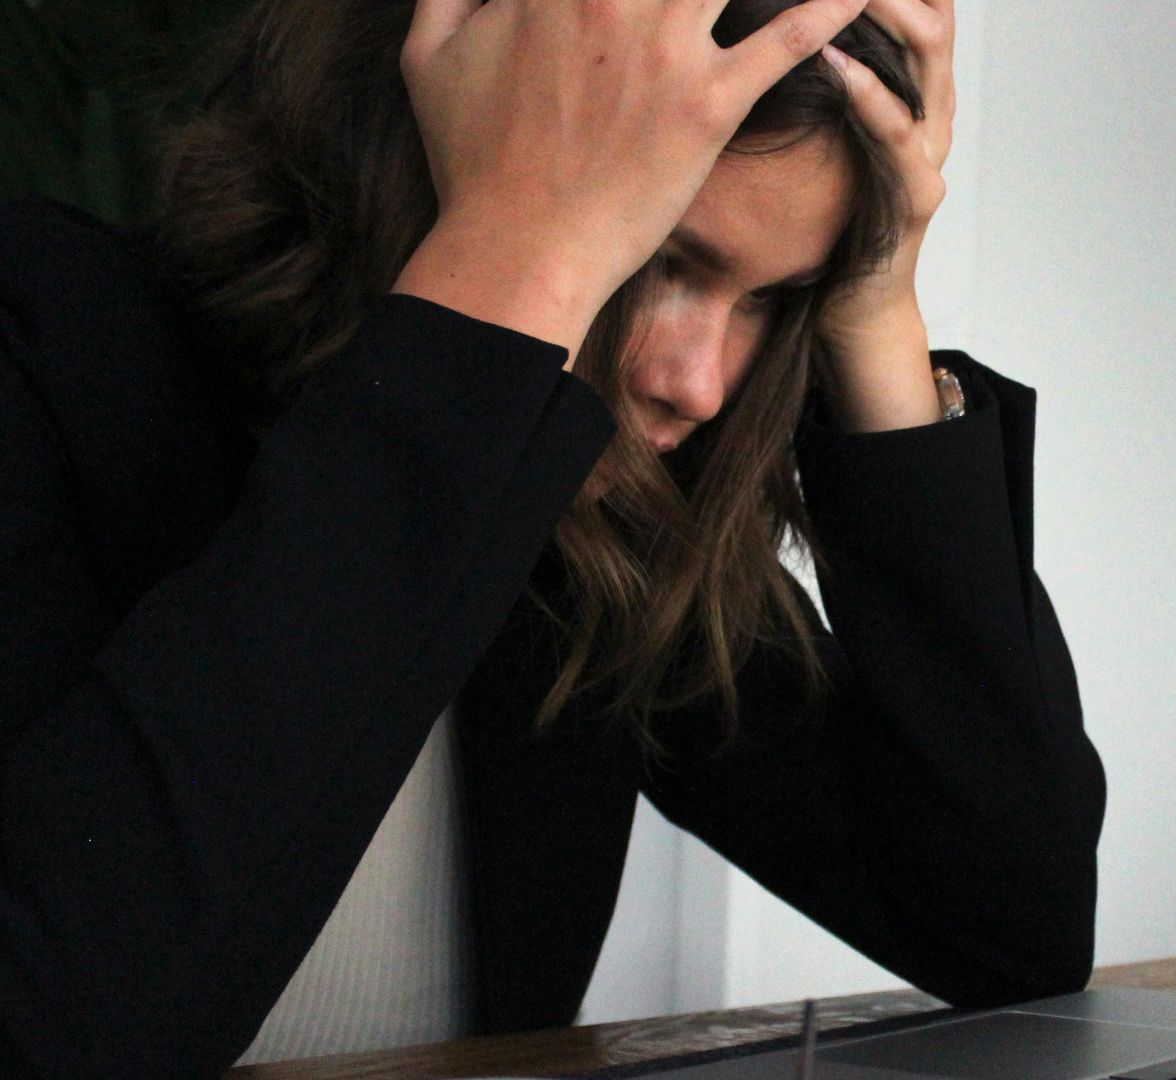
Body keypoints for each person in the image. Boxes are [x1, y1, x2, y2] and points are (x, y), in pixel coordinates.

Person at [0, 0, 1105, 1075]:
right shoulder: (45, 343)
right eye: (664, 254)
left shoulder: (592, 529)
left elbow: (1008, 934)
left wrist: (876, 315)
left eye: (776, 298)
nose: (699, 383)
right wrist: (514, 260)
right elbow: (59, 1025)